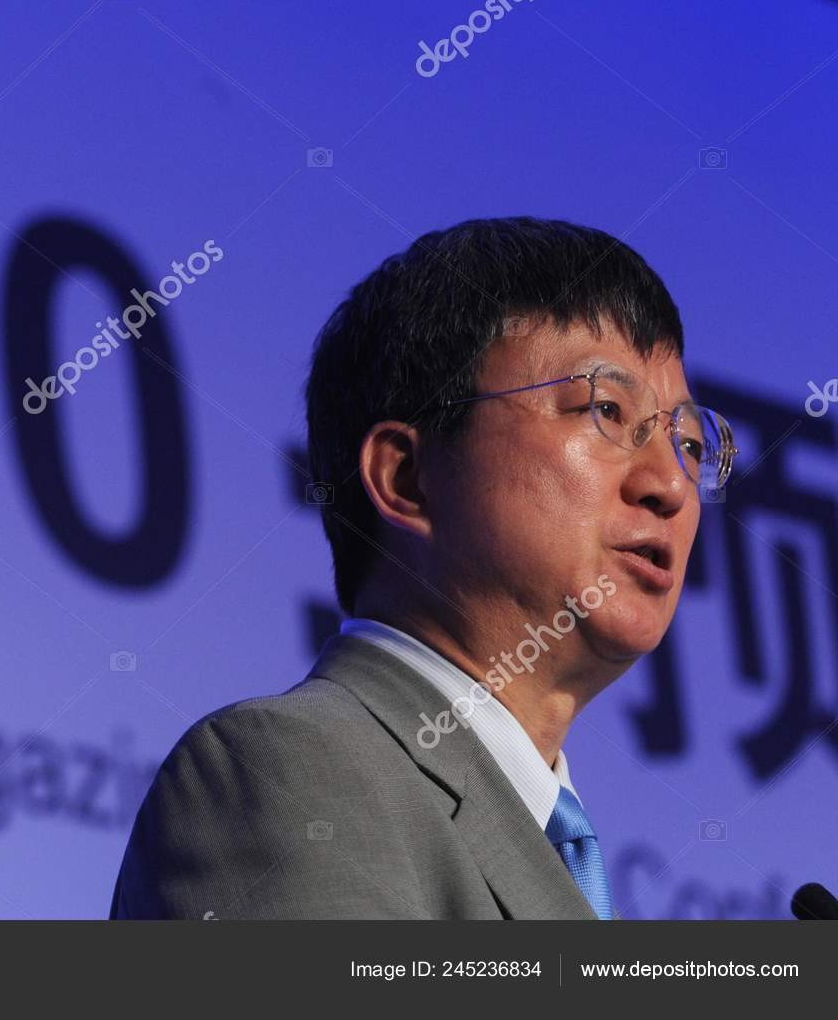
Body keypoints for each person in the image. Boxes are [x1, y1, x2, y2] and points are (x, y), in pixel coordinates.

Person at [109, 217, 735, 919]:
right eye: (608, 410)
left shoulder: (542, 834)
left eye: (686, 441)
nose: (671, 485)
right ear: (406, 477)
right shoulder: (290, 770)